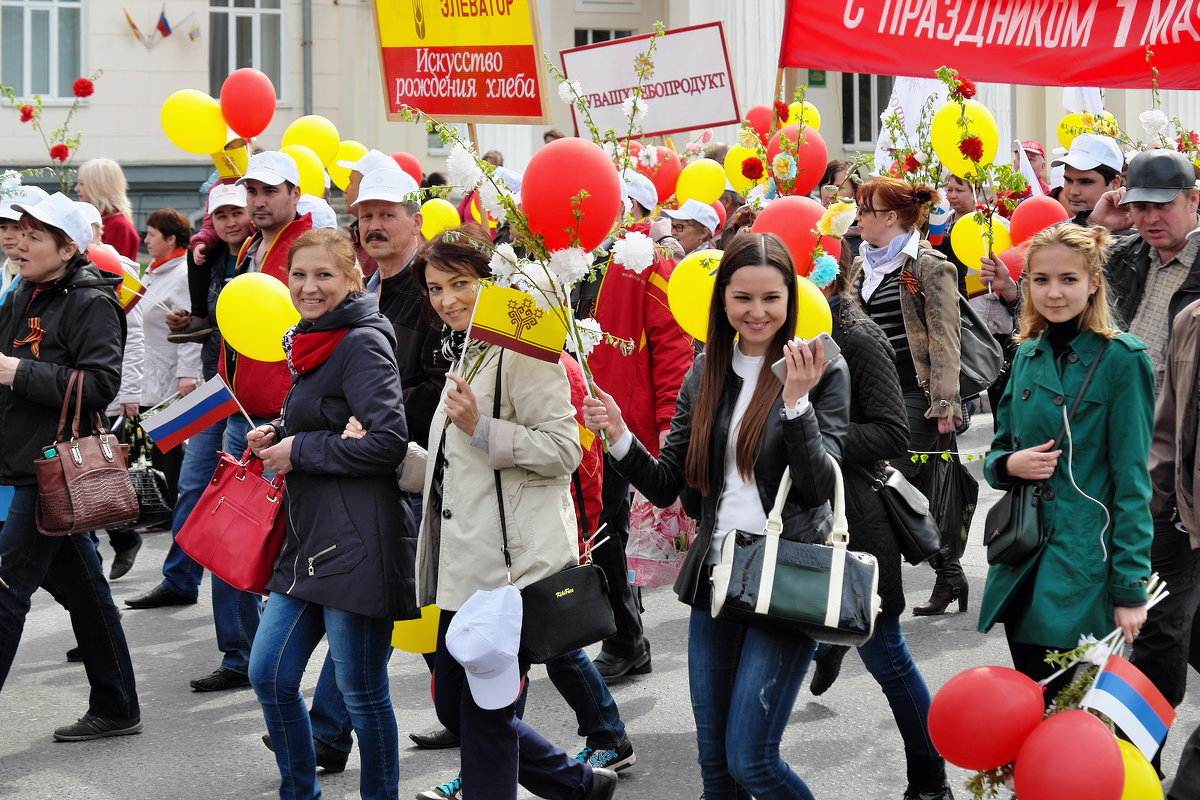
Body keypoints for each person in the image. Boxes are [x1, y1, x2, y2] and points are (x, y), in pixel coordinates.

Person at [584, 231, 850, 799]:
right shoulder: (707, 369)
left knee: (752, 761)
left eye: (771, 298)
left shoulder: (821, 365)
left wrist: (797, 403)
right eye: (742, 297)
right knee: (715, 771)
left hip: (787, 575)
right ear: (722, 300)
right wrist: (619, 435)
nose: (757, 312)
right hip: (716, 577)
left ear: (791, 299)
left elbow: (819, 486)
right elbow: (666, 486)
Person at [412, 227, 619, 800]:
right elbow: (455, 464)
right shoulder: (470, 348)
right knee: (460, 707)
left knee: (483, 720)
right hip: (463, 570)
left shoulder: (523, 352)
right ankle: (575, 785)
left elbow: (565, 450)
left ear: (493, 284)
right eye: (435, 288)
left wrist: (481, 427)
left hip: (507, 573)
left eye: (462, 283)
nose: (448, 299)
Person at [246, 228, 414, 800]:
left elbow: (388, 442)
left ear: (350, 279)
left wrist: (302, 449)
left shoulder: (360, 340)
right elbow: (328, 416)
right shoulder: (312, 337)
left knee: (362, 695)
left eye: (324, 275)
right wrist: (279, 430)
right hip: (309, 535)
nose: (308, 287)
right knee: (267, 673)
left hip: (357, 541)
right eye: (299, 275)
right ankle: (300, 792)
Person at [977, 224, 1153, 698]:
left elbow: (1133, 481)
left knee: (1086, 726)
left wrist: (1130, 587)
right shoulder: (1027, 354)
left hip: (1088, 569)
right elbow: (998, 450)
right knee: (1033, 710)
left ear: (1094, 281)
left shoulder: (1122, 359)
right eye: (1041, 280)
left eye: (1069, 279)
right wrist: (1010, 465)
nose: (1054, 293)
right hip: (1026, 563)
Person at [806, 263, 953, 800]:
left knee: (887, 655)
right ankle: (832, 642)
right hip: (800, 518)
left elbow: (893, 431)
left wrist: (809, 434)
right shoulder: (785, 332)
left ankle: (930, 780)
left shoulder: (856, 335)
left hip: (856, 519)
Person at [0, 192, 142, 740]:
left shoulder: (89, 300)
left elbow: (100, 385)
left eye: (34, 236)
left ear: (67, 247)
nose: (20, 244)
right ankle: (117, 704)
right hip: (23, 463)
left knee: (6, 591)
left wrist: (15, 372)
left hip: (51, 468)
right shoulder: (25, 292)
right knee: (85, 591)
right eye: (18, 233)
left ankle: (117, 704)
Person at [1092, 147, 1200, 768]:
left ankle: (1137, 763)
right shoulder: (1124, 254)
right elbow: (1055, 287)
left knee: (1155, 623)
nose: (1150, 218)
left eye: (1162, 205)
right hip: (1114, 461)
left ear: (1193, 200)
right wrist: (1099, 226)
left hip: (1176, 474)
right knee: (1166, 616)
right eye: (1139, 205)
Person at [575, 172, 694, 683]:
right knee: (588, 531)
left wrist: (670, 421)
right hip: (564, 420)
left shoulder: (646, 260)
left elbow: (672, 346)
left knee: (606, 531)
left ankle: (625, 638)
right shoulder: (555, 258)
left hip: (621, 427)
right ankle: (624, 630)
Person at [849, 177, 967, 616]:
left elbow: (944, 339)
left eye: (865, 210)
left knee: (886, 484)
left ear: (891, 217)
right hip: (873, 394)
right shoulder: (860, 265)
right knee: (898, 488)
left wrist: (945, 404)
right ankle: (948, 572)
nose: (858, 216)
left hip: (915, 394)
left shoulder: (929, 266)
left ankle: (892, 587)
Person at [107, 208, 200, 579]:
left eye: (152, 234)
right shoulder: (154, 271)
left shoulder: (181, 273)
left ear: (171, 239)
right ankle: (161, 512)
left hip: (174, 375)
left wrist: (188, 372)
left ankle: (168, 513)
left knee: (172, 446)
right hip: (152, 372)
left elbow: (191, 321)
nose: (146, 239)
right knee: (157, 445)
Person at [1155, 300, 1200, 798]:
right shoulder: (1192, 321)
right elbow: (1167, 426)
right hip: (1179, 515)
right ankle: (1143, 765)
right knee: (1160, 640)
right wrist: (1156, 505)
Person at [1050, 133, 1124, 228]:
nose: (1073, 192)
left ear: (1115, 183)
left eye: (1085, 182)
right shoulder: (1054, 234)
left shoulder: (1142, 235)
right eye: (1068, 180)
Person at [75, 158, 140, 260]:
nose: (77, 188)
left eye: (82, 184)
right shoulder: (103, 219)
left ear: (98, 187)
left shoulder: (119, 226)